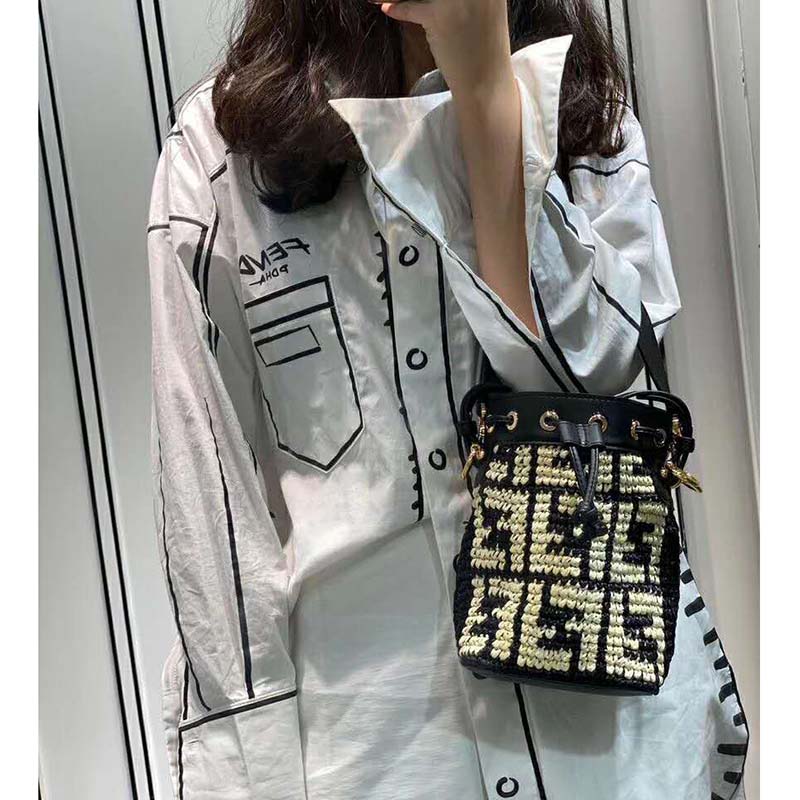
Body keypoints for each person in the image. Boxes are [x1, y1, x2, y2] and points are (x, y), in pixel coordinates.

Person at [147, 2, 747, 798]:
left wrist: (489, 96)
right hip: (382, 751)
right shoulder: (221, 151)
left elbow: (595, 368)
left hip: (612, 746)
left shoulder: (578, 101)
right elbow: (211, 512)